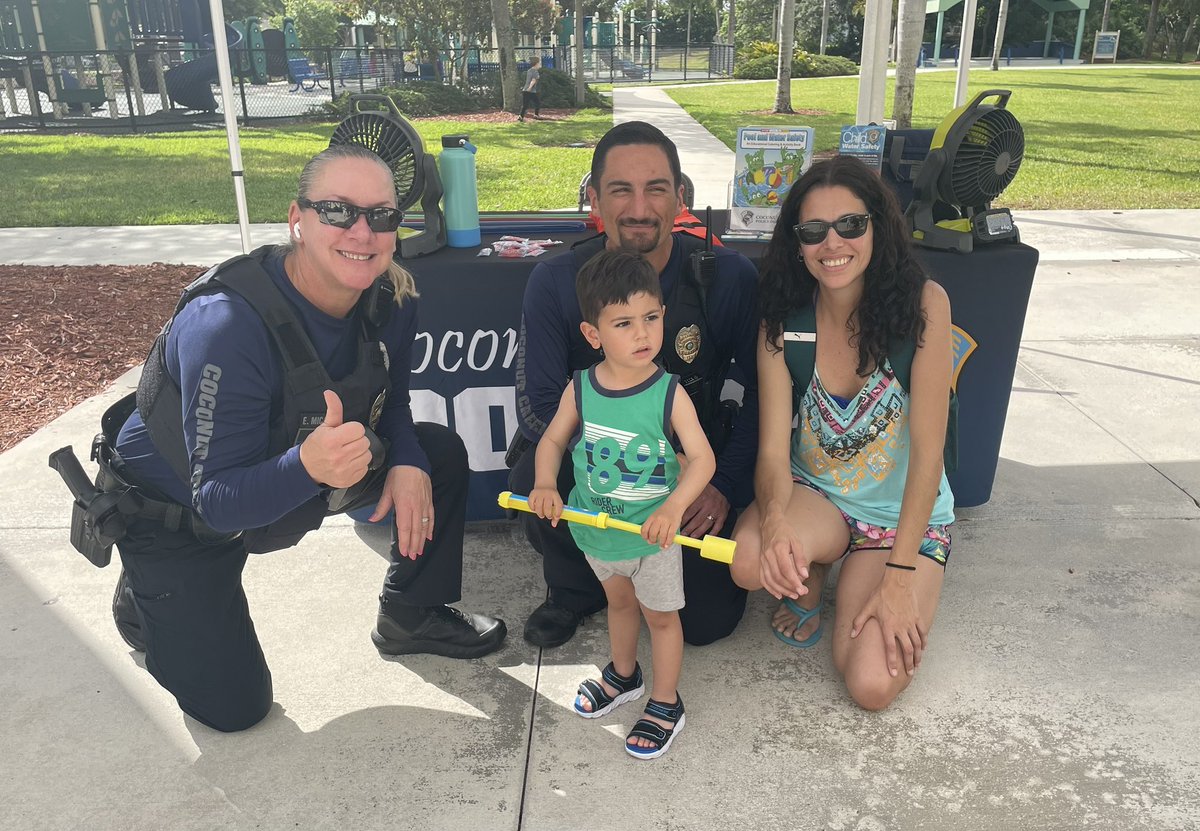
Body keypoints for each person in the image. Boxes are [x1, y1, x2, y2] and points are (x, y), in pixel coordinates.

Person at [96, 144, 506, 733]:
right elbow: (216, 498)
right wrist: (307, 469)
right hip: (178, 511)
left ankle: (411, 614)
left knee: (435, 452)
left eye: (382, 215)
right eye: (338, 211)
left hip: (302, 463)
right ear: (298, 219)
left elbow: (393, 401)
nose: (362, 232)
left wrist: (408, 459)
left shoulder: (391, 295)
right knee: (236, 710)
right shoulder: (227, 324)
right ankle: (143, 593)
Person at [509, 120, 760, 649]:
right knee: (535, 469)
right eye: (620, 189)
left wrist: (722, 484)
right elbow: (537, 405)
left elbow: (765, 394)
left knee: (705, 624)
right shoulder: (555, 281)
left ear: (680, 198)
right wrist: (618, 473)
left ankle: (641, 577)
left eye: (656, 188)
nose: (640, 208)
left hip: (691, 475)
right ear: (594, 197)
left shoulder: (728, 277)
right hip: (599, 465)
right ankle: (576, 588)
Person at [729, 155, 955, 711]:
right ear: (796, 241)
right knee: (747, 559)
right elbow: (772, 456)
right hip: (818, 498)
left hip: (898, 521)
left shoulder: (926, 306)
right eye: (813, 230)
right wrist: (778, 521)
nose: (833, 243)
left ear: (878, 225)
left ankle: (838, 569)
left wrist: (899, 578)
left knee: (872, 685)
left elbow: (929, 458)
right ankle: (817, 561)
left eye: (850, 225)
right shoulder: (782, 322)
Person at [528, 250, 715, 759]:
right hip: (597, 530)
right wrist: (546, 484)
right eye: (624, 323)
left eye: (651, 318)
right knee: (619, 603)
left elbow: (702, 460)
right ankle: (625, 675)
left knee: (662, 618)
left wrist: (673, 509)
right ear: (594, 335)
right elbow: (549, 443)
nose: (643, 334)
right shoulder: (581, 388)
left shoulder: (668, 392)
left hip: (652, 538)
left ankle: (664, 700)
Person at [518, 56, 541, 122]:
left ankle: (521, 116)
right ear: (536, 64)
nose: (539, 65)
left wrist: (527, 88)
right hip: (531, 91)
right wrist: (530, 88)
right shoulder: (535, 72)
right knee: (537, 103)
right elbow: (533, 80)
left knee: (525, 105)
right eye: (539, 63)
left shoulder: (529, 70)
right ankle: (536, 115)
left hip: (525, 90)